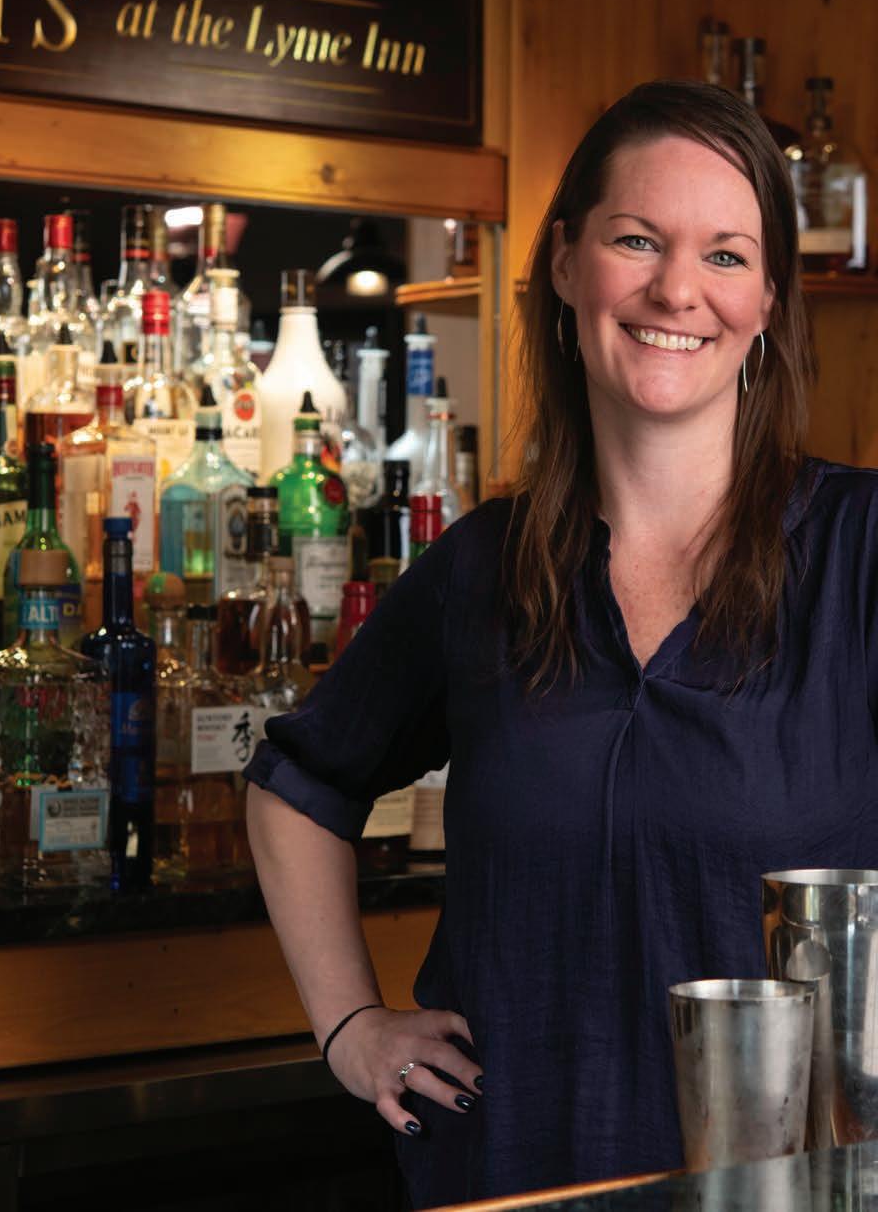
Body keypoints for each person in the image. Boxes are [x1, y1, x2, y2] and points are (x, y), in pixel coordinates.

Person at [245, 79, 878, 1206]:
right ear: (566, 263)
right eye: (636, 239)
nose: (676, 288)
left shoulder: (859, 552)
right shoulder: (483, 568)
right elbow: (298, 780)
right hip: (510, 1177)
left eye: (725, 255)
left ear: (768, 302)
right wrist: (351, 1025)